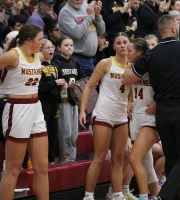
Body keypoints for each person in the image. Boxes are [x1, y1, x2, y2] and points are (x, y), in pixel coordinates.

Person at [122, 15, 180, 200]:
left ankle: (176, 197)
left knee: (172, 157)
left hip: (162, 112)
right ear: (175, 28)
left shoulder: (152, 53)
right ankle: (163, 196)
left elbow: (127, 78)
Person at [0, 24, 49, 200]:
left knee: (42, 167)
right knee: (13, 168)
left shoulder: (39, 56)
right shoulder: (12, 55)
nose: (42, 42)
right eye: (40, 39)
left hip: (36, 108)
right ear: (28, 40)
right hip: (17, 108)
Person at [79, 32, 130, 200]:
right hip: (103, 115)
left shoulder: (134, 66)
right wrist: (82, 109)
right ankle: (88, 196)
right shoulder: (106, 63)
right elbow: (89, 86)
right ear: (114, 46)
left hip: (122, 117)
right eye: (119, 43)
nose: (122, 45)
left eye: (125, 42)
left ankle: (116, 194)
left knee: (118, 159)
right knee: (99, 158)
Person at [127, 38, 159, 200]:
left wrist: (157, 101)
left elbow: (167, 86)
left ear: (140, 53)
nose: (126, 53)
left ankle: (143, 196)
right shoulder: (131, 68)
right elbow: (130, 89)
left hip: (151, 117)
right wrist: (128, 101)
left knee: (135, 158)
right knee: (146, 161)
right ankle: (156, 195)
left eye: (130, 50)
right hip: (136, 115)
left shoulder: (154, 67)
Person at [58, 0, 105, 78]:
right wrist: (90, 16)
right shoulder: (65, 12)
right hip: (77, 59)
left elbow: (101, 31)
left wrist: (97, 15)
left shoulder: (87, 7)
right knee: (81, 88)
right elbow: (77, 33)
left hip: (92, 59)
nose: (79, 1)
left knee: (90, 89)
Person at [52, 36, 80, 163]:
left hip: (74, 101)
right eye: (66, 45)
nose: (69, 47)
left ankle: (73, 158)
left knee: (74, 133)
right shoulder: (56, 63)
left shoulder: (75, 63)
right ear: (59, 47)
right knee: (65, 132)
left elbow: (80, 80)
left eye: (71, 45)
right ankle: (65, 157)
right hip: (63, 101)